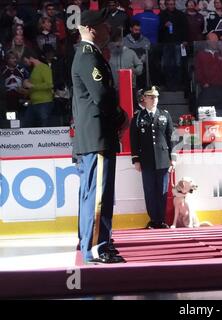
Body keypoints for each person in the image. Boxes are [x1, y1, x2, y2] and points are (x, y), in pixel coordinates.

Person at [71, 8, 129, 264]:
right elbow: (103, 97)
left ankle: (92, 241)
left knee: (92, 194)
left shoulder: (86, 55)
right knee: (98, 196)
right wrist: (121, 118)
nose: (109, 30)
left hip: (92, 137)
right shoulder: (88, 57)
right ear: (93, 28)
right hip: (97, 136)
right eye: (105, 26)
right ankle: (96, 247)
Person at [130, 86, 176, 229]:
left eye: (155, 97)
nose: (154, 100)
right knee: (149, 191)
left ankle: (161, 220)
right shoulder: (138, 117)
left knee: (162, 191)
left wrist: (172, 157)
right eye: (151, 97)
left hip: (163, 159)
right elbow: (134, 139)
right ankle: (153, 219)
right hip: (146, 159)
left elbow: (171, 137)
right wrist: (136, 159)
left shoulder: (165, 114)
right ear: (144, 99)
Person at [22, 50, 54, 127]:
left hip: (44, 103)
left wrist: (32, 86)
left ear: (30, 58)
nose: (24, 63)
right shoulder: (34, 70)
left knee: (43, 127)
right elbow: (34, 86)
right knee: (27, 125)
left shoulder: (44, 68)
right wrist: (26, 91)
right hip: (33, 103)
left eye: (25, 60)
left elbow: (50, 85)